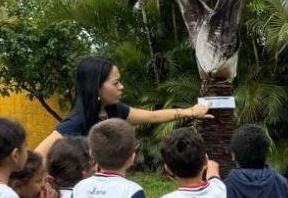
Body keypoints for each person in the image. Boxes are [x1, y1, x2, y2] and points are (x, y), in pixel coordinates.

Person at [35, 56, 211, 158]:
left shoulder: (114, 110)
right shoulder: (76, 123)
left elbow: (153, 117)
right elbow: (38, 155)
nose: (121, 87)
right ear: (96, 87)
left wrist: (191, 112)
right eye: (115, 83)